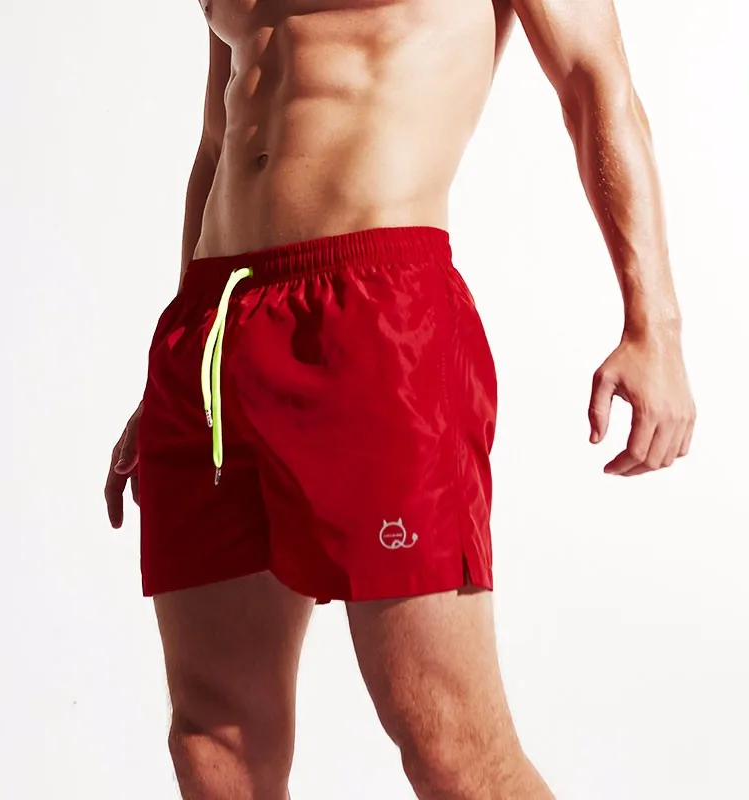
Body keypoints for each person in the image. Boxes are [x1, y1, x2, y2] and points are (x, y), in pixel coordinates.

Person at [104, 0, 696, 797]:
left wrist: (655, 325)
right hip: (214, 322)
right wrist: (184, 350)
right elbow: (220, 135)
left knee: (449, 741)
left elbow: (596, 80)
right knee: (214, 738)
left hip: (377, 311)